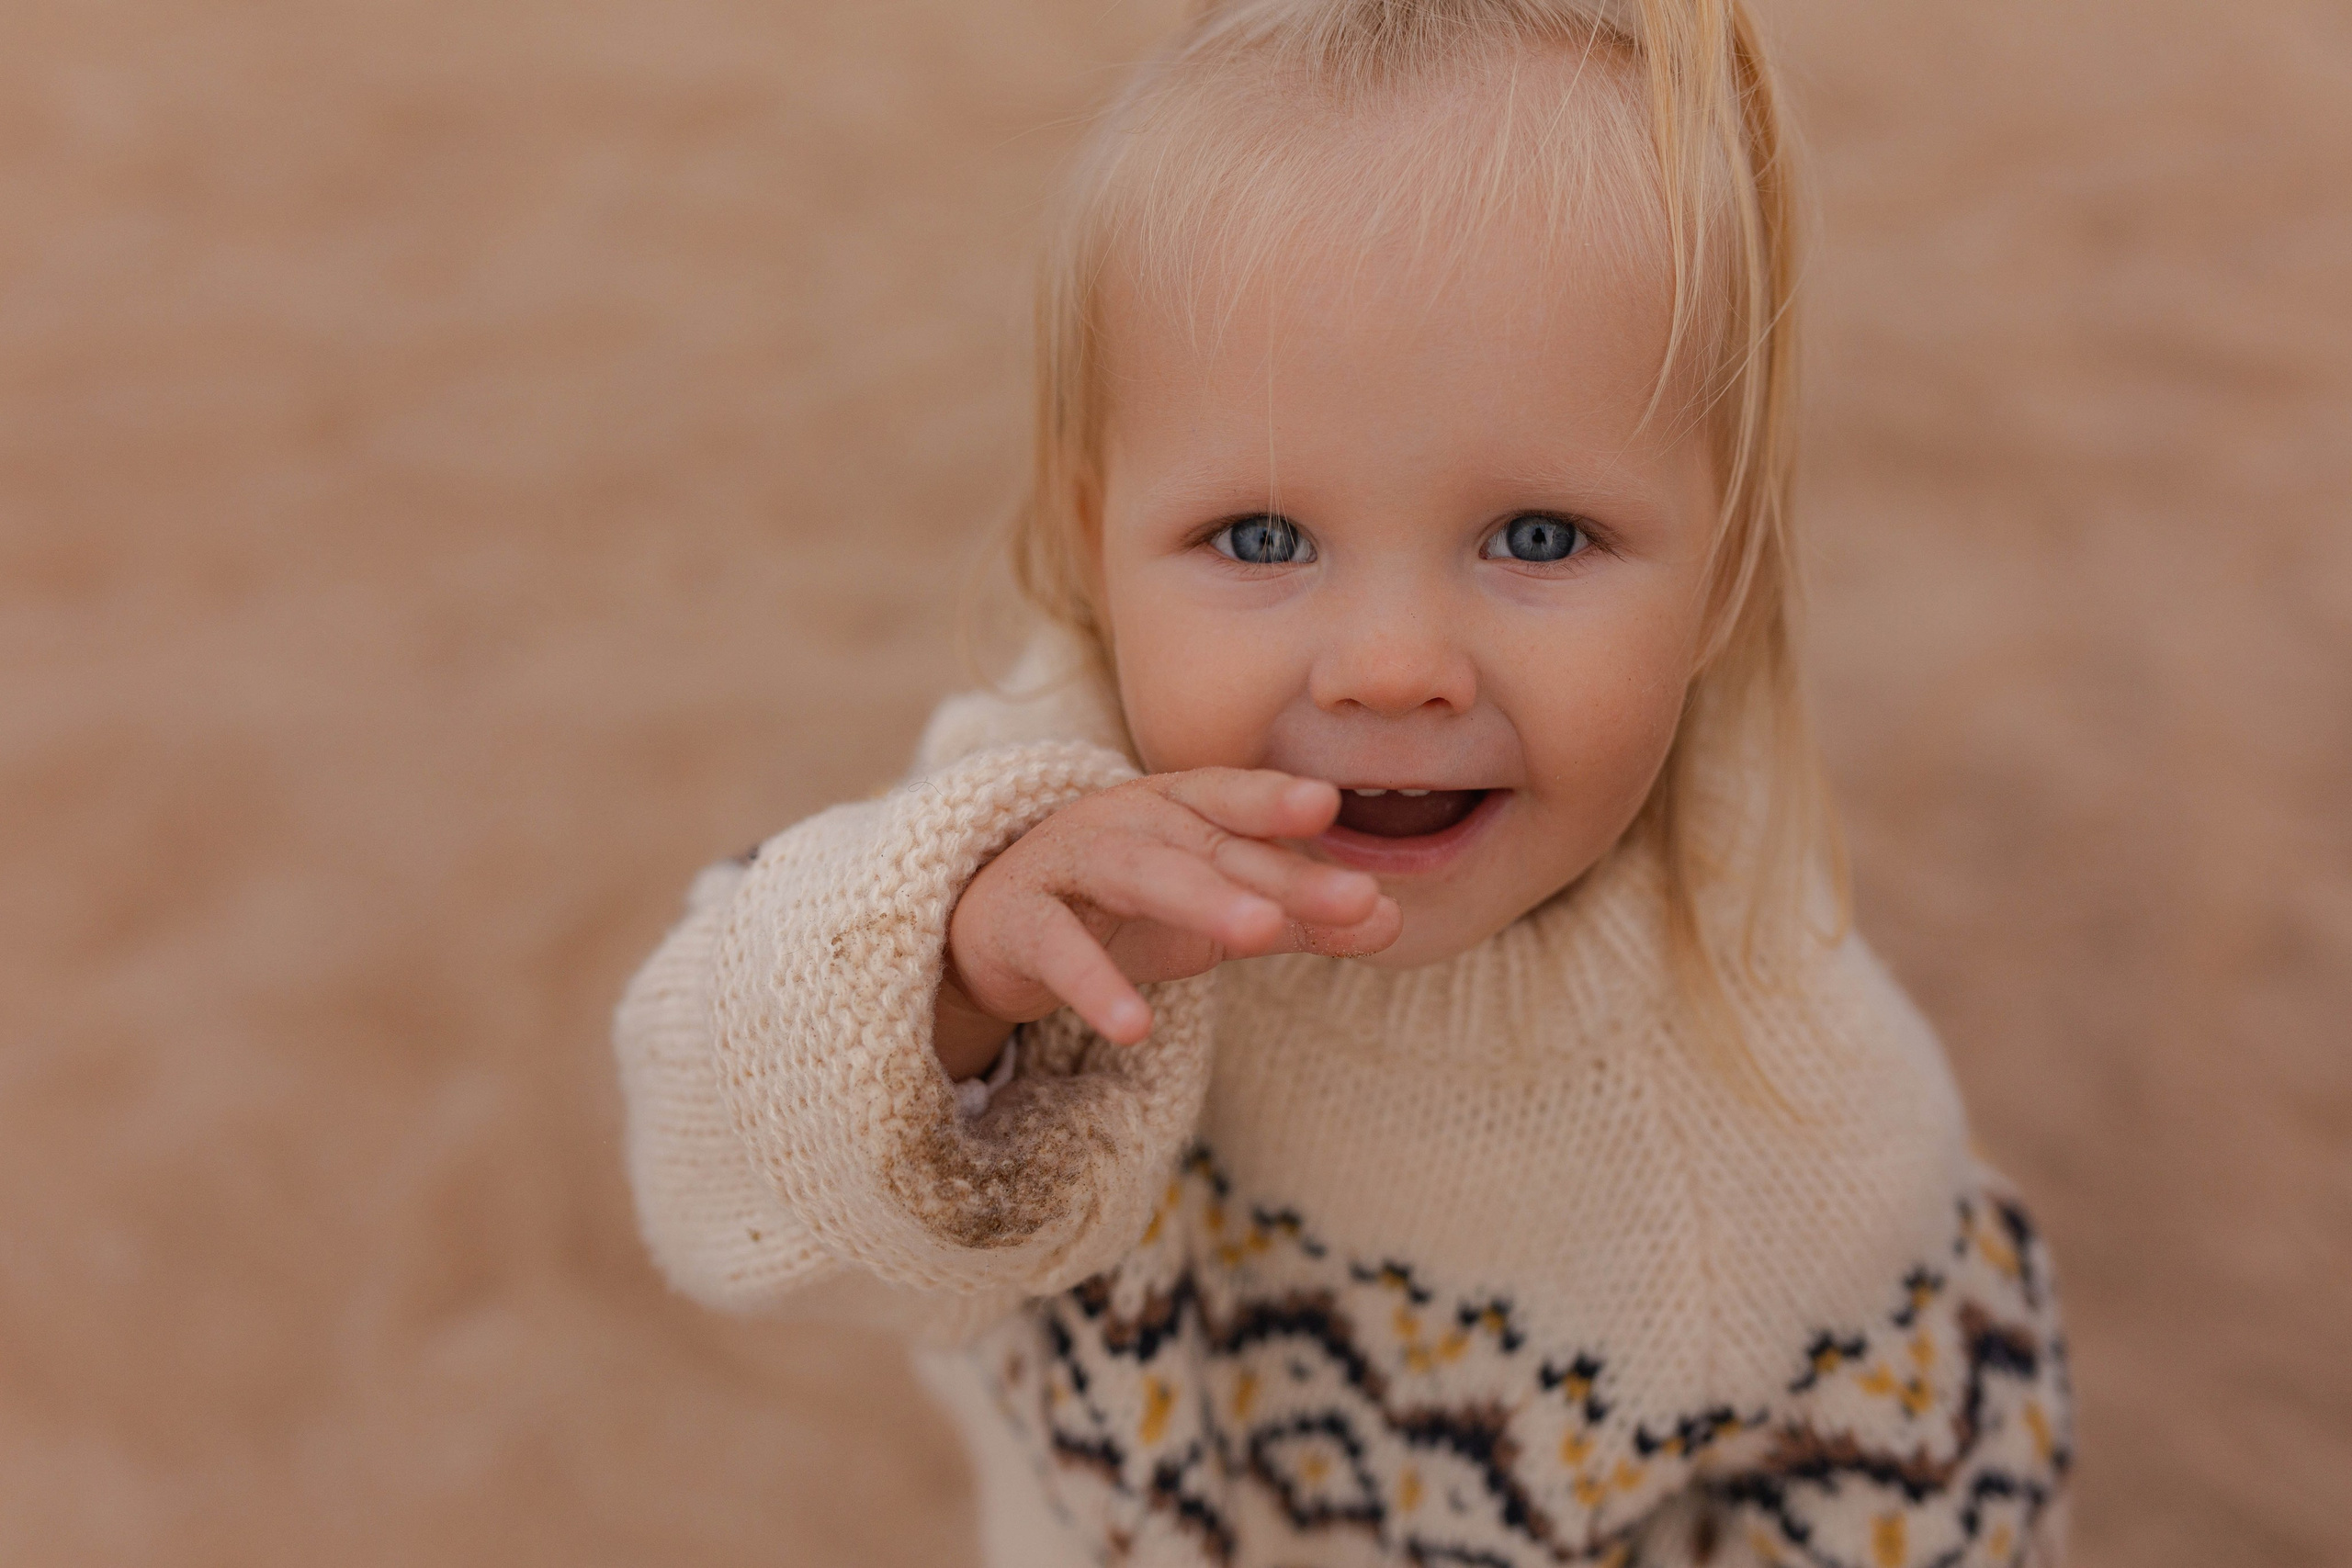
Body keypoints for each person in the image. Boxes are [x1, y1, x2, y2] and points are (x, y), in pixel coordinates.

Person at [613, 0, 2073, 1562]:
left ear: (1725, 577)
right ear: (1099, 540)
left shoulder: (1804, 1162)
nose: (1390, 666)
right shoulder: (1042, 831)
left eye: (1537, 538)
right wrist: (960, 974)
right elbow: (716, 1195)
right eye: (1260, 540)